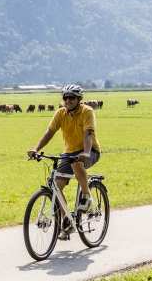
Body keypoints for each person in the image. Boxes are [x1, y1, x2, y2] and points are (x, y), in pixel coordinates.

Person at [27, 83, 101, 227]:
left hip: (90, 150)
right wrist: (36, 149)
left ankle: (86, 197)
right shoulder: (60, 113)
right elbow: (49, 133)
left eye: (71, 97)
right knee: (56, 185)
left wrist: (86, 153)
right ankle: (67, 220)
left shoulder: (87, 112)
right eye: (65, 97)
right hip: (69, 153)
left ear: (79, 98)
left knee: (77, 163)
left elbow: (88, 134)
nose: (68, 100)